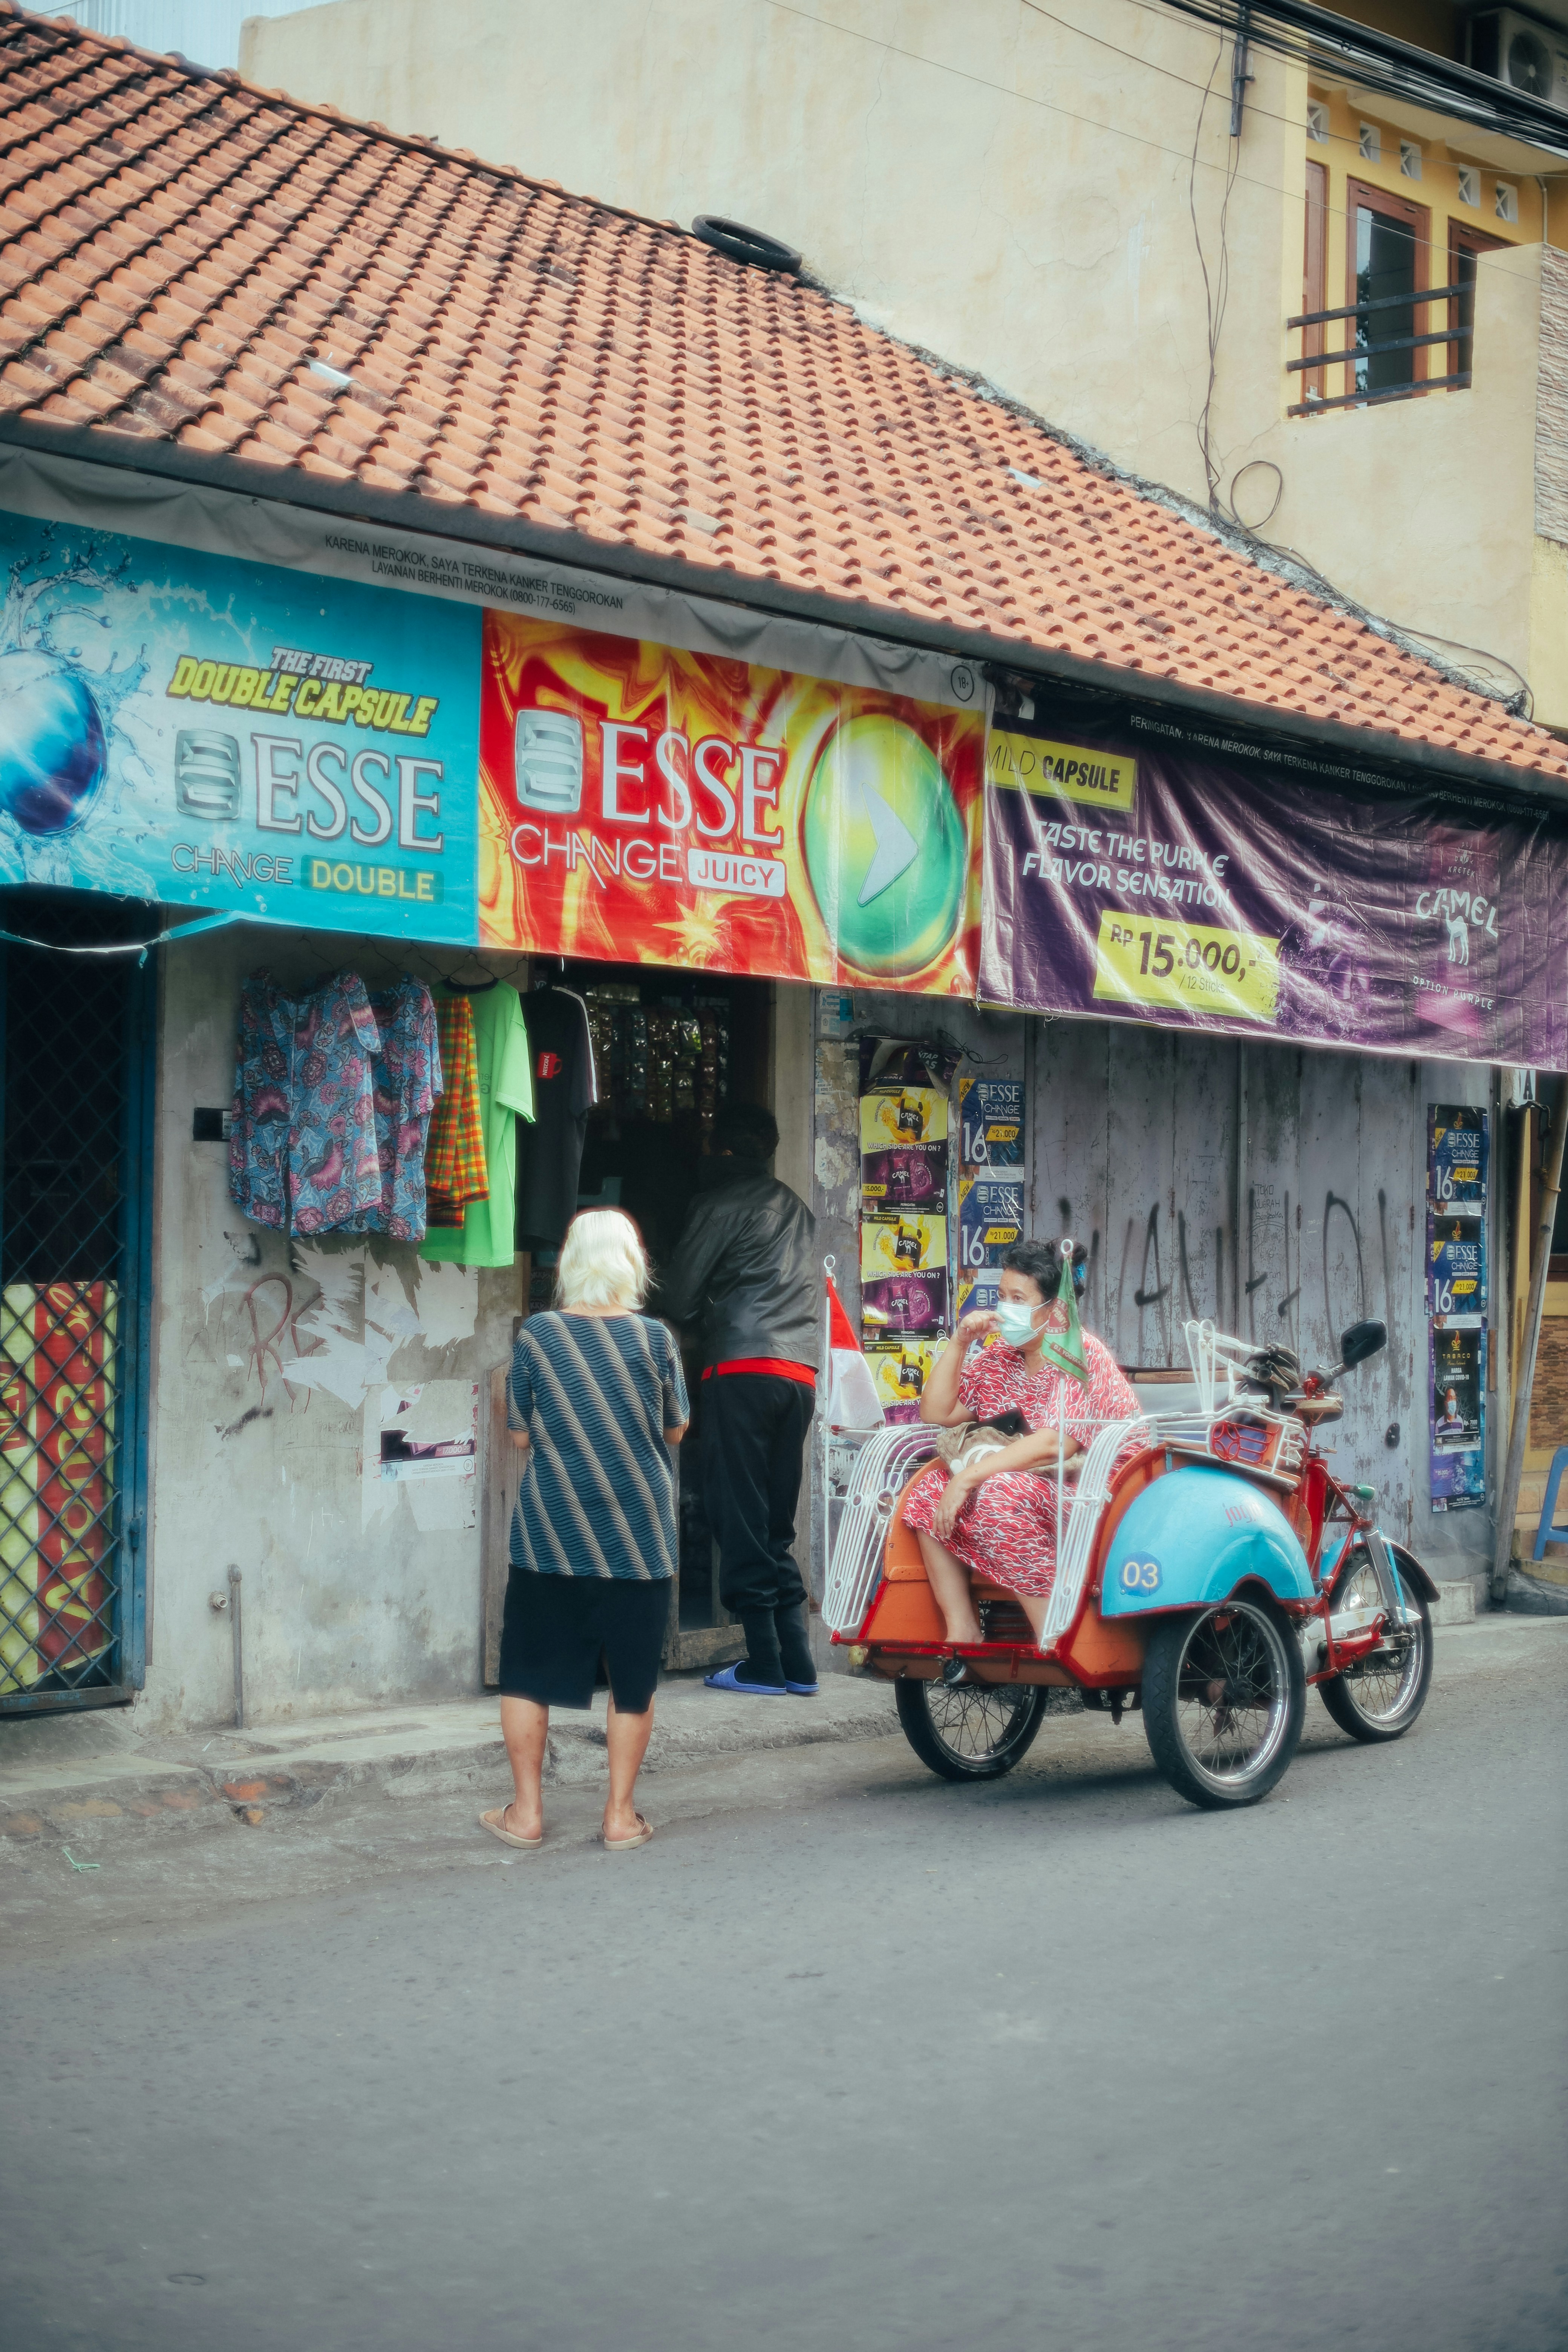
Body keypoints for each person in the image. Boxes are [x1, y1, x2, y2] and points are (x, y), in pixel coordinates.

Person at [481, 1208, 688, 1854]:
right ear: (633, 1265)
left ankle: (526, 1815)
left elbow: (519, 1435)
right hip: (638, 1534)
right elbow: (676, 1428)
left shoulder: (539, 1335)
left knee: (526, 1672)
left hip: (553, 1529)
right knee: (633, 1679)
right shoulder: (655, 1338)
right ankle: (620, 1817)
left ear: (570, 1264)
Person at [901, 1237, 1141, 1670]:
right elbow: (937, 1412)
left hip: (1101, 1494)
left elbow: (1056, 1443)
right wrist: (960, 1343)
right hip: (1034, 1484)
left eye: (1018, 1299)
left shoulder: (1079, 1353)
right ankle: (963, 1629)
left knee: (999, 1494)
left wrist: (968, 1478)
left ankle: (1054, 1634)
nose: (1004, 1309)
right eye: (1001, 1297)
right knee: (925, 1493)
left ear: (1053, 1309)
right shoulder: (999, 1357)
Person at [658, 1101, 820, 1698]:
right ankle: (798, 1663)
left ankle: (764, 1665)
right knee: (775, 1524)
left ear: (719, 1149)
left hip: (742, 1368)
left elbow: (679, 1296)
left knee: (739, 1516)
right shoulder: (799, 1210)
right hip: (799, 1375)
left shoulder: (719, 1202)